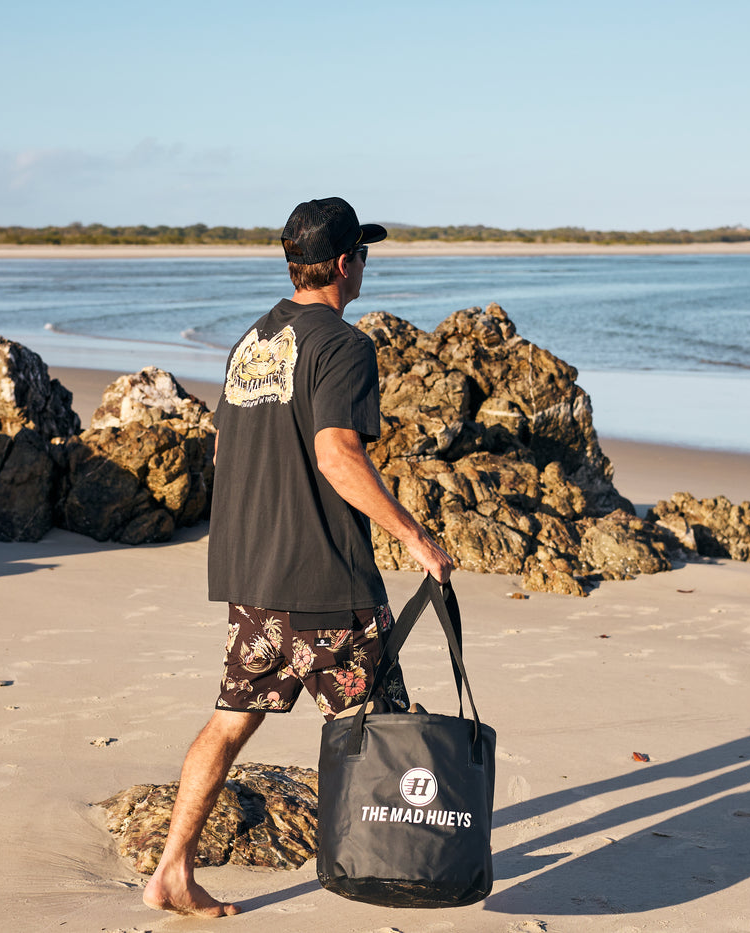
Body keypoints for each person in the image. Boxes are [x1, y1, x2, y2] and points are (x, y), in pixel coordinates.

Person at [142, 197, 454, 917]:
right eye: (363, 254)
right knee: (379, 729)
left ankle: (171, 872)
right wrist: (413, 536)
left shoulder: (251, 343)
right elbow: (336, 454)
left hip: (253, 582)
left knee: (229, 719)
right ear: (345, 263)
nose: (365, 265)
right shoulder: (343, 345)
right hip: (324, 582)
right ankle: (389, 870)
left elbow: (228, 448)